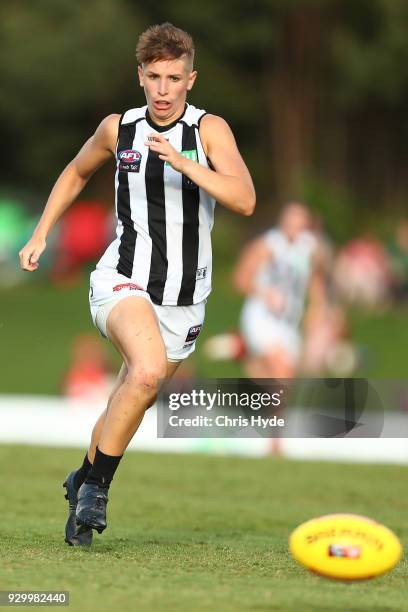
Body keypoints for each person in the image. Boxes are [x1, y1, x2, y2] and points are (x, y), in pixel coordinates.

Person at [19, 23, 255, 546]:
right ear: (140, 77)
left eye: (174, 77)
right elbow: (76, 172)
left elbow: (243, 199)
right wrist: (41, 234)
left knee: (132, 393)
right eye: (154, 77)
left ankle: (82, 478)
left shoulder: (208, 131)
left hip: (185, 299)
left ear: (191, 79)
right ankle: (98, 488)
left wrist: (185, 165)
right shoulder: (117, 129)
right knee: (145, 374)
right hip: (122, 278)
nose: (164, 89)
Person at [233, 202, 323, 379]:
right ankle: (247, 357)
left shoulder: (309, 250)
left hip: (289, 322)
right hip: (263, 317)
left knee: (278, 379)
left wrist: (315, 312)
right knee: (281, 372)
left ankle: (246, 357)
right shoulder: (267, 245)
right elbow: (240, 279)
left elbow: (315, 284)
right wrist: (265, 293)